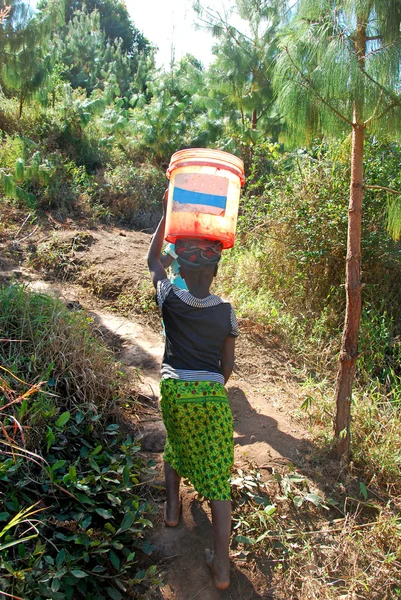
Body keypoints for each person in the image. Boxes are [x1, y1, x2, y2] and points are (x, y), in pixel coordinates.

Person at [147, 190, 238, 591]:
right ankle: (221, 567)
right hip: (212, 395)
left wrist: (170, 215)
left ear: (181, 267)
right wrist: (213, 384)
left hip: (175, 391)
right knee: (218, 478)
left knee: (176, 445)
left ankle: (171, 510)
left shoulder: (170, 298)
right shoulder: (227, 310)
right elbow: (228, 366)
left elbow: (154, 262)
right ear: (216, 273)